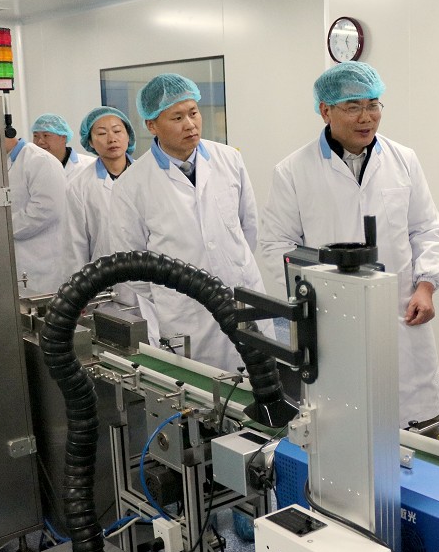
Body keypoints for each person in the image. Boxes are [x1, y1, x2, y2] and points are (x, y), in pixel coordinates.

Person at [258, 62, 439, 430]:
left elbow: (426, 228)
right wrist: (316, 296)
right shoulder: (293, 170)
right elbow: (276, 246)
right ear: (325, 110)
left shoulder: (404, 160)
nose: (366, 117)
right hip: (329, 319)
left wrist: (426, 286)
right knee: (343, 428)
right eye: (353, 107)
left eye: (373, 105)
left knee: (415, 426)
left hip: (400, 311)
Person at [107, 74, 269, 372]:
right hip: (187, 314)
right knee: (203, 393)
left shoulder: (229, 159)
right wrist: (172, 295)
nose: (190, 124)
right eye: (177, 117)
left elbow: (248, 227)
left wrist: (232, 266)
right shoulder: (131, 185)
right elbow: (131, 264)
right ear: (152, 125)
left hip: (242, 297)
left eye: (194, 113)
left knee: (261, 381)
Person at [64, 106, 137, 302]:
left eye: (117, 131)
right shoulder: (79, 187)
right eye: (102, 133)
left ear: (128, 136)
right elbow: (75, 247)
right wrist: (79, 294)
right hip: (106, 287)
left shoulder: (150, 176)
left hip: (154, 284)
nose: (111, 139)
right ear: (90, 142)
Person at [5, 134, 68, 294]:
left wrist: (2, 228)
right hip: (17, 263)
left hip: (41, 266)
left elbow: (46, 210)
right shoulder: (3, 161)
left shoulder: (40, 160)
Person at [32, 113, 96, 180]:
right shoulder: (29, 167)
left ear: (63, 137)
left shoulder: (89, 165)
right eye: (35, 136)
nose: (39, 141)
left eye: (46, 135)